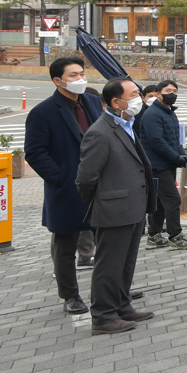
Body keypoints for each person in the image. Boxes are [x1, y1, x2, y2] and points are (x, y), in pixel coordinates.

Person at [74, 78, 156, 334]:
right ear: (116, 102)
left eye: (138, 93)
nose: (139, 99)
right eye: (133, 95)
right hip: (114, 209)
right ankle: (103, 317)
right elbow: (86, 178)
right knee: (109, 265)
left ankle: (122, 305)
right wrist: (105, 200)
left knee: (125, 262)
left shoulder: (126, 124)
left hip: (133, 206)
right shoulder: (100, 132)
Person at [25, 55, 103, 314]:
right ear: (58, 81)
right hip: (67, 189)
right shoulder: (43, 112)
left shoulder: (92, 101)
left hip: (100, 185)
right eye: (73, 75)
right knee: (65, 246)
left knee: (107, 241)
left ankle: (111, 288)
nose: (80, 79)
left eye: (82, 73)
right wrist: (60, 178)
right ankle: (70, 295)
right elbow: (35, 152)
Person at [141, 81, 187, 250]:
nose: (172, 93)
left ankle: (154, 235)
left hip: (168, 164)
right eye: (168, 90)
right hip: (157, 165)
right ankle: (175, 236)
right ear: (158, 93)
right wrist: (175, 157)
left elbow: (175, 139)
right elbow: (156, 141)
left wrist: (181, 155)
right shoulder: (152, 114)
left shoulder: (169, 112)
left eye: (175, 91)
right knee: (172, 200)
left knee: (159, 202)